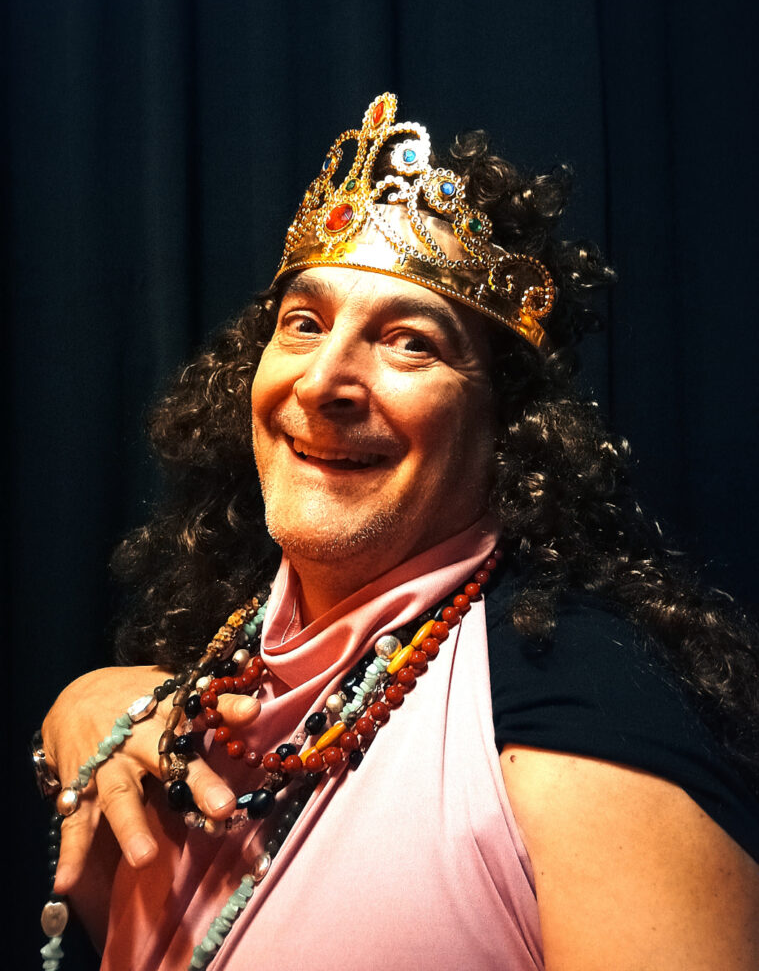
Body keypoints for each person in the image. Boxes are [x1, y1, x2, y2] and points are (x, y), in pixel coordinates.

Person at [38, 93, 759, 971]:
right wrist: (81, 706)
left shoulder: (583, 710)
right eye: (303, 324)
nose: (323, 381)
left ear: (506, 425)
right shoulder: (213, 682)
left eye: (410, 342)